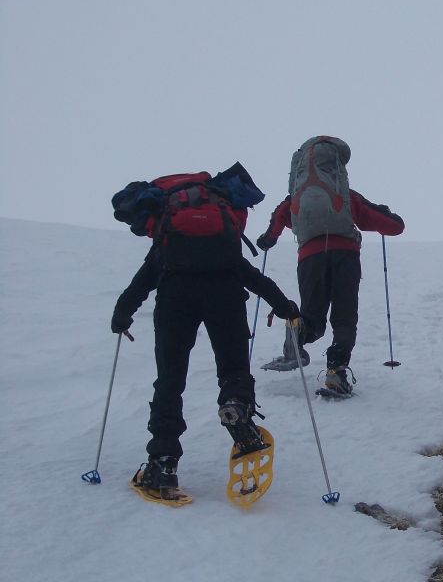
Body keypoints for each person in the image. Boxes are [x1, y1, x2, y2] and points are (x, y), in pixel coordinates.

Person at [112, 199, 300, 501]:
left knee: (170, 380)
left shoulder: (168, 240)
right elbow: (256, 279)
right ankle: (237, 406)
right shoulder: (223, 243)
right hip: (226, 295)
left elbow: (142, 282)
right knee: (234, 368)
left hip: (176, 297)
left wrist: (121, 316)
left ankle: (163, 464)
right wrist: (284, 307)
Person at [256, 136, 405, 396]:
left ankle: (297, 335)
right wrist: (389, 215)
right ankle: (336, 372)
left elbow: (273, 228)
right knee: (344, 317)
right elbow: (394, 226)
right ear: (336, 166)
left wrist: (268, 239)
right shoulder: (345, 195)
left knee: (313, 317)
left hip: (310, 258)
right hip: (345, 256)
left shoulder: (295, 198)